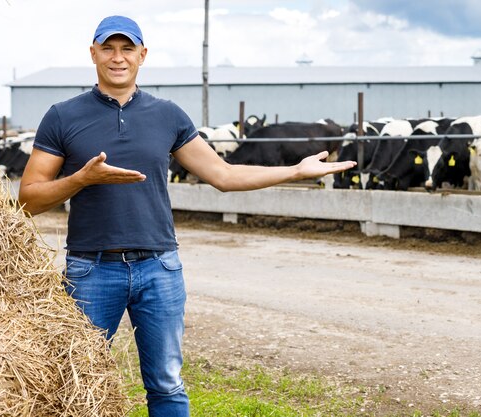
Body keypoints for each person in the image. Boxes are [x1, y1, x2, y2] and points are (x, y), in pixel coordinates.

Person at [18, 15, 356, 417]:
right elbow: (29, 199)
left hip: (159, 268)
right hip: (91, 270)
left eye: (127, 49)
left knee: (166, 383)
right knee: (76, 382)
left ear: (143, 56)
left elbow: (224, 175)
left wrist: (295, 172)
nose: (117, 58)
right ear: (93, 54)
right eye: (108, 48)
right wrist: (81, 179)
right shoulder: (62, 116)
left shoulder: (168, 114)